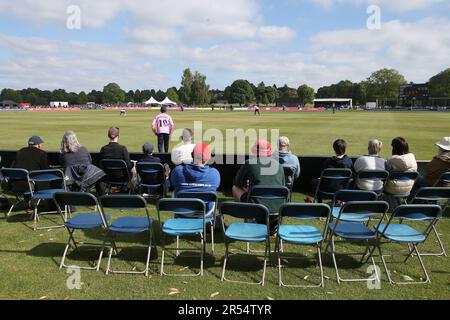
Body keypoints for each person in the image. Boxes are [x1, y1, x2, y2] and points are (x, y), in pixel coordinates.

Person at [232, 140, 285, 232]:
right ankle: (272, 225)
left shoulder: (249, 163)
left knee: (234, 188)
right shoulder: (279, 165)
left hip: (257, 209)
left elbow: (237, 183)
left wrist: (247, 187)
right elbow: (283, 187)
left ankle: (249, 219)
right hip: (278, 209)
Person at [171, 143, 220, 217]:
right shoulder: (214, 174)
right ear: (208, 158)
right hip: (205, 212)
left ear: (191, 155)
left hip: (183, 210)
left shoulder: (177, 171)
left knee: (175, 191)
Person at [60, 131, 106, 195]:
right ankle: (102, 197)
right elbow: (89, 162)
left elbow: (63, 166)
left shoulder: (63, 155)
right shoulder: (83, 149)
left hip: (72, 180)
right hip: (83, 178)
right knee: (98, 175)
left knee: (98, 174)